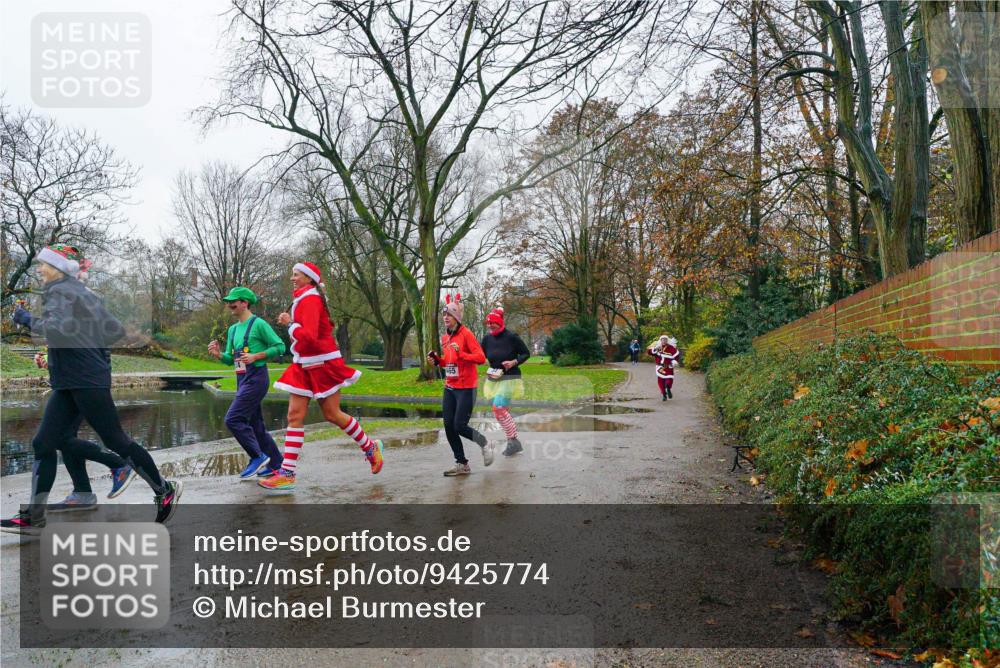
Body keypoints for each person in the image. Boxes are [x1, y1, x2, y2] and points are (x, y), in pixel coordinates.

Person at [1, 244, 181, 535]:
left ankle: (165, 489)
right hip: (75, 379)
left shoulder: (59, 290)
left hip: (82, 379)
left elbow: (57, 329)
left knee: (115, 440)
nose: (39, 270)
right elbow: (113, 329)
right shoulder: (84, 294)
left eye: (43, 265)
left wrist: (25, 321)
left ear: (58, 268)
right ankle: (34, 516)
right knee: (43, 443)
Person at [258, 262, 383, 492]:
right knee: (294, 415)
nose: (292, 278)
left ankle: (370, 447)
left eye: (295, 274)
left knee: (332, 414)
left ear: (308, 277)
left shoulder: (311, 299)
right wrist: (292, 323)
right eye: (292, 274)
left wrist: (290, 324)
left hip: (323, 363)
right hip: (304, 364)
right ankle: (287, 473)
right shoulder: (304, 298)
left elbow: (311, 337)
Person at [207, 286, 286, 480]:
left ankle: (257, 456)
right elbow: (231, 359)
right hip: (242, 379)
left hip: (257, 378)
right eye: (228, 302)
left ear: (244, 303)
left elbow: (280, 346)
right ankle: (277, 464)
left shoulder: (259, 324)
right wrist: (219, 355)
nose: (229, 305)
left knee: (233, 419)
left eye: (233, 301)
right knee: (256, 425)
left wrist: (257, 355)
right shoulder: (233, 330)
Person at [427, 293, 489, 476]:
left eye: (449, 315)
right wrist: (438, 361)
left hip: (467, 387)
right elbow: (450, 361)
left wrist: (462, 354)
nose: (445, 317)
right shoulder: (445, 337)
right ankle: (462, 463)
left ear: (457, 317)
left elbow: (481, 358)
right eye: (444, 315)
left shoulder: (466, 334)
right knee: (448, 425)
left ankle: (484, 443)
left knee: (460, 425)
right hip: (450, 387)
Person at [480, 306, 530, 456]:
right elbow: (480, 355)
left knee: (499, 408)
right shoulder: (487, 339)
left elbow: (526, 353)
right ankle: (512, 442)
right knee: (500, 412)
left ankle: (514, 440)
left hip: (510, 377)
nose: (490, 326)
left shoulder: (511, 337)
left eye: (492, 323)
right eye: (488, 323)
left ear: (500, 322)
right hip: (494, 379)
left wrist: (514, 362)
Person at [647, 335, 679, 401]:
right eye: (663, 339)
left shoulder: (671, 348)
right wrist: (655, 348)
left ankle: (668, 388)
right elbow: (649, 352)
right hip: (660, 367)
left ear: (667, 340)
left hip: (668, 366)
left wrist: (674, 361)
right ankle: (664, 394)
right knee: (661, 381)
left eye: (665, 339)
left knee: (669, 380)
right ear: (660, 340)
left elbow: (676, 355)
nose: (664, 341)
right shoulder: (658, 347)